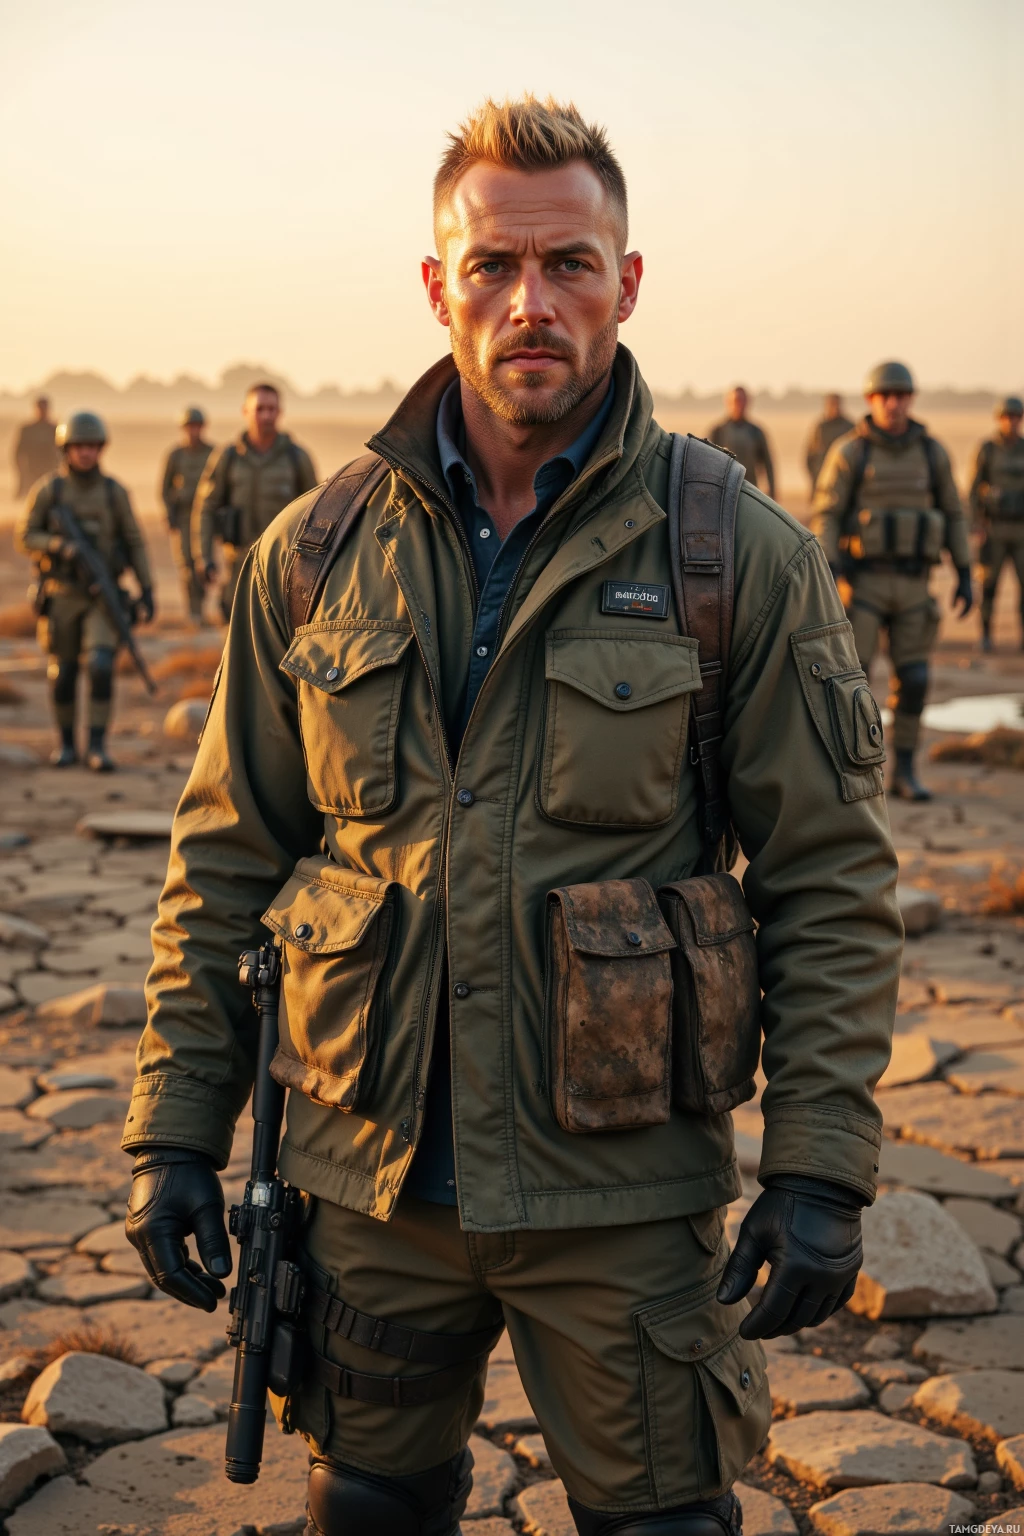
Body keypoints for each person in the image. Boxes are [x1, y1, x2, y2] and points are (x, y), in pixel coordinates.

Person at [122, 97, 900, 1536]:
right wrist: (178, 1126)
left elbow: (829, 882)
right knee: (366, 1503)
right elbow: (227, 857)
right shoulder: (314, 554)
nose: (528, 302)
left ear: (628, 279)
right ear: (437, 284)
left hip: (620, 1197)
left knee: (664, 1521)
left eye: (569, 264)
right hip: (365, 1183)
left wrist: (818, 1169)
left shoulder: (733, 551)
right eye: (491, 265)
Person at [812, 361, 973, 802]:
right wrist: (829, 564)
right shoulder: (850, 453)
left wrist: (964, 571)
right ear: (871, 400)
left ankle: (904, 770)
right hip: (864, 586)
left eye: (901, 396)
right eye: (885, 396)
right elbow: (827, 511)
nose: (893, 404)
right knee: (852, 683)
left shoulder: (932, 453)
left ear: (910, 399)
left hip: (915, 585)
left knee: (915, 678)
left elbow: (955, 514)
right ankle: (854, 775)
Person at [17, 410, 154, 771]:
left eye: (92, 447)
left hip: (101, 595)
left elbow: (135, 541)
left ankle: (97, 746)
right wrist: (60, 546)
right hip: (62, 593)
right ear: (66, 448)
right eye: (79, 447)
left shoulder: (113, 492)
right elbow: (24, 535)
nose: (86, 453)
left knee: (101, 664)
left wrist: (148, 587)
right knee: (62, 670)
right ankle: (65, 745)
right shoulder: (50, 490)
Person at [194, 382, 317, 620]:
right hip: (238, 565)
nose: (266, 415)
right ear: (246, 411)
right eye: (260, 409)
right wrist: (204, 557)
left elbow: (317, 511)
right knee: (236, 638)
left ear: (280, 412)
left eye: (272, 409)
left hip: (285, 569)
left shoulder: (296, 458)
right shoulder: (228, 457)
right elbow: (206, 508)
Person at [970, 395, 1024, 652]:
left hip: (1022, 530)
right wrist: (976, 524)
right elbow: (973, 488)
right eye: (1007, 417)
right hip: (994, 529)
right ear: (999, 419)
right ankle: (986, 635)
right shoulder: (988, 449)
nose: (1011, 423)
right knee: (989, 585)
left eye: (1015, 417)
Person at [160, 406, 214, 625]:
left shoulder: (213, 453)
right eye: (189, 427)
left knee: (204, 562)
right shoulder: (176, 455)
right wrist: (169, 513)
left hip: (206, 518)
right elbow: (164, 488)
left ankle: (201, 607)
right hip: (183, 517)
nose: (193, 431)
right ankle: (193, 612)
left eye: (197, 426)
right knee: (186, 564)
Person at [708, 387, 775, 497]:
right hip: (723, 491)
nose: (739, 405)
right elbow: (708, 463)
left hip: (751, 491)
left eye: (742, 401)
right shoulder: (718, 431)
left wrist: (772, 492)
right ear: (728, 403)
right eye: (736, 401)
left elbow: (768, 464)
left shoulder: (756, 432)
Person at [805, 393, 853, 494]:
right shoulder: (820, 427)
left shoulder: (849, 427)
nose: (834, 407)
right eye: (831, 404)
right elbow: (810, 455)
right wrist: (814, 476)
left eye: (837, 404)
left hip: (844, 481)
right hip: (821, 478)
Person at [13, 395, 59, 497]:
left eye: (44, 408)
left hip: (50, 471)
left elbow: (62, 451)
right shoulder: (28, 429)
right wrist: (21, 472)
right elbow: (19, 452)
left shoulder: (55, 429)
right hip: (31, 471)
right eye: (40, 408)